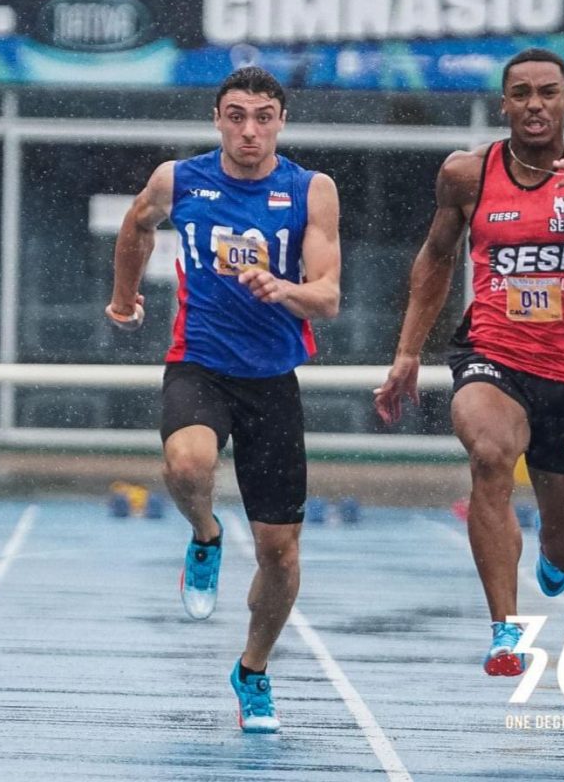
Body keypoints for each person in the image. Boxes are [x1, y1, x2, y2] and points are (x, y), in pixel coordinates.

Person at [374, 48, 564, 677]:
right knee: (490, 454)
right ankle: (505, 630)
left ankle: (554, 557)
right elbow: (436, 259)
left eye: (548, 92)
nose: (535, 105)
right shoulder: (468, 174)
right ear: (505, 104)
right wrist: (408, 351)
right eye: (521, 93)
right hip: (492, 354)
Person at [106, 66, 340, 731]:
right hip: (199, 365)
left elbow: (328, 294)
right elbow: (135, 224)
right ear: (217, 119)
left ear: (281, 122)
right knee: (187, 466)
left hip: (272, 382)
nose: (249, 129)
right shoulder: (180, 180)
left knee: (281, 556)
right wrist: (125, 297)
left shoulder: (309, 191)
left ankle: (253, 671)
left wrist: (283, 289)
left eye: (263, 116)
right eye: (236, 115)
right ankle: (205, 537)